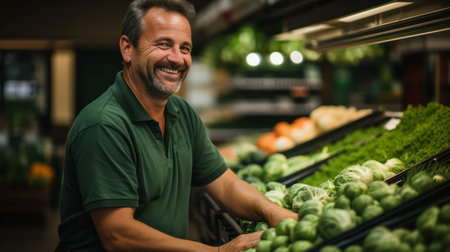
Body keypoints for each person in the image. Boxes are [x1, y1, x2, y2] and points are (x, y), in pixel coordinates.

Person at [57, 0, 297, 251]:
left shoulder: (182, 114)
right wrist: (217, 251)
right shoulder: (104, 125)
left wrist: (272, 212)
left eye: (185, 48)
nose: (176, 58)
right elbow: (118, 235)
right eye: (163, 44)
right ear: (127, 49)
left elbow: (225, 184)